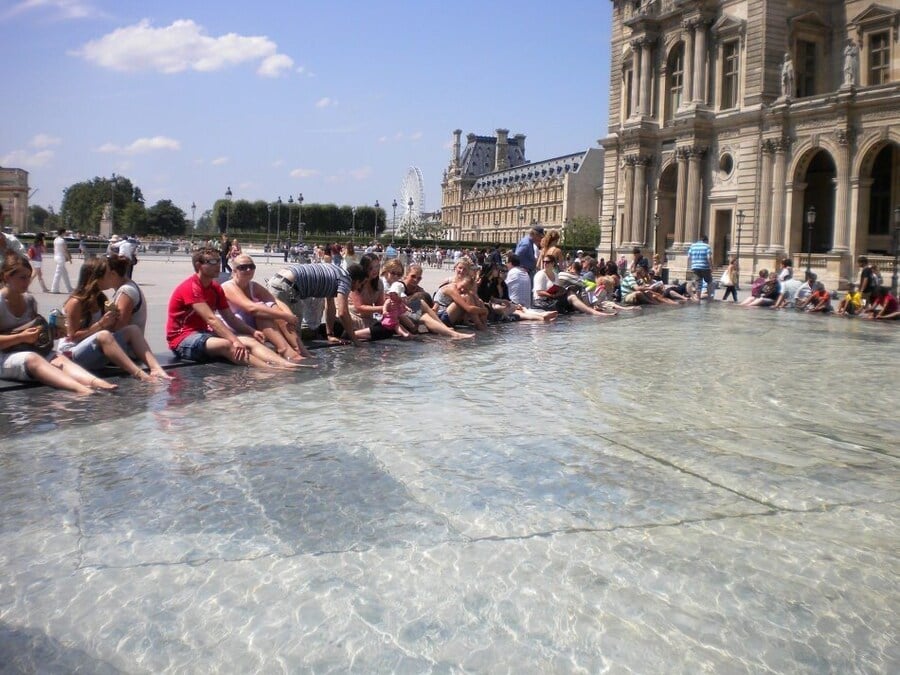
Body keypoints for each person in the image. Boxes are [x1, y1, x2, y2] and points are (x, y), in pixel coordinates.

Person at [167, 247, 303, 368]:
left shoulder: (215, 288)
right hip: (182, 339)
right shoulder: (191, 287)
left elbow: (230, 317)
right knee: (229, 345)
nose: (218, 266)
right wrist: (234, 340)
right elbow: (211, 319)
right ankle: (270, 370)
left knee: (249, 341)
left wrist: (251, 331)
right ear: (199, 265)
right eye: (212, 262)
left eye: (219, 261)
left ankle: (286, 364)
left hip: (204, 334)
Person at [1, 252, 114, 393]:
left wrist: (51, 333)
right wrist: (21, 337)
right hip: (5, 357)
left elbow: (34, 332)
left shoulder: (29, 301)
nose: (27, 282)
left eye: (29, 278)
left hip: (28, 350)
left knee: (59, 358)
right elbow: (22, 336)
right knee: (33, 359)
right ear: (7, 277)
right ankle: (80, 389)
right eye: (22, 278)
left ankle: (94, 382)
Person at [59, 258, 170, 381]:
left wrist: (111, 320)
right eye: (107, 274)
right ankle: (140, 375)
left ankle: (156, 369)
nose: (111, 276)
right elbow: (72, 336)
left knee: (132, 329)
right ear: (95, 278)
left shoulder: (101, 299)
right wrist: (101, 324)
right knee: (104, 335)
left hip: (92, 350)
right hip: (72, 354)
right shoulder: (76, 302)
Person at [221, 253, 312, 362]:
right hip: (234, 326)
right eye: (243, 267)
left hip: (251, 324)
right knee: (262, 310)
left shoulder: (253, 286)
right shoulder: (228, 286)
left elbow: (275, 301)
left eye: (251, 266)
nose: (248, 269)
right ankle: (285, 351)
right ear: (234, 270)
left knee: (273, 309)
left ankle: (300, 350)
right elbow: (251, 308)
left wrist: (288, 315)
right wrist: (285, 315)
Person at [266, 258, 363, 346]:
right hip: (288, 287)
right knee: (293, 335)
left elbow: (330, 308)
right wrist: (355, 340)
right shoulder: (346, 279)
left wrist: (329, 334)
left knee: (276, 328)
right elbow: (343, 313)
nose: (359, 288)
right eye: (361, 284)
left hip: (278, 280)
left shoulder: (336, 271)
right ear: (357, 280)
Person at [533, 255, 608, 316]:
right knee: (571, 296)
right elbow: (539, 292)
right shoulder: (540, 275)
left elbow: (558, 288)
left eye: (547, 262)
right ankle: (592, 311)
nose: (545, 263)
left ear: (553, 263)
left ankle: (589, 311)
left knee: (570, 292)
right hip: (541, 301)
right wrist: (552, 295)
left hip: (552, 299)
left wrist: (561, 291)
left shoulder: (556, 275)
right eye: (544, 262)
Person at [687, 234, 713, 301]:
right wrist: (711, 266)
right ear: (705, 240)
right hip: (705, 267)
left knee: (698, 283)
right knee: (709, 281)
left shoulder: (692, 246)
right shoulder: (707, 246)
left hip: (695, 267)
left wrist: (690, 266)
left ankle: (698, 298)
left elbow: (689, 257)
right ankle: (709, 297)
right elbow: (709, 257)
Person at [50, 227, 72, 294]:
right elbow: (65, 250)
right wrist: (69, 258)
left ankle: (69, 288)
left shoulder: (56, 240)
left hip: (56, 257)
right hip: (61, 258)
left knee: (64, 274)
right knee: (58, 274)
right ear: (63, 232)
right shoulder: (62, 240)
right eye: (65, 232)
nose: (65, 233)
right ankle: (54, 289)